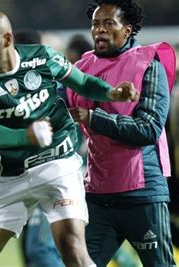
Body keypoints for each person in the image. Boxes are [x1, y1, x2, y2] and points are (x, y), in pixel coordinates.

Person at [0, 11, 139, 267]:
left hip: (58, 165)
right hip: (9, 175)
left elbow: (82, 82)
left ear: (7, 39)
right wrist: (27, 136)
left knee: (72, 249)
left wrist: (111, 92)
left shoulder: (42, 57)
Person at [66, 0, 177, 266]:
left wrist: (94, 117)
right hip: (97, 192)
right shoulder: (81, 68)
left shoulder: (149, 64)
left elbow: (148, 128)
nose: (99, 30)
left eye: (108, 23)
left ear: (127, 30)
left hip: (142, 193)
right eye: (95, 24)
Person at [13, 27, 64, 267]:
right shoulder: (13, 89)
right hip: (26, 179)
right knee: (32, 251)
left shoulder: (54, 88)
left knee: (41, 250)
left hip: (52, 179)